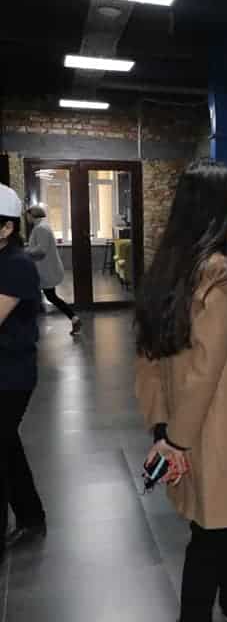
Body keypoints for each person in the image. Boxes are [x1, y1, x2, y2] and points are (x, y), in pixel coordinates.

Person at [134, 160, 227, 622]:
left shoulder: (172, 269)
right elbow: (205, 372)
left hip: (186, 430)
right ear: (218, 210)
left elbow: (149, 361)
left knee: (207, 535)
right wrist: (177, 441)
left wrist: (163, 430)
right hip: (221, 435)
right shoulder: (220, 278)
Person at [0, 184, 47, 563]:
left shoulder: (16, 265)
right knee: (8, 446)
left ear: (6, 228)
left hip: (11, 375)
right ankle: (32, 517)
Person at [24, 204, 81, 334]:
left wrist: (25, 251)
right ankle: (75, 319)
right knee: (50, 297)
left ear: (32, 215)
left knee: (39, 297)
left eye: (27, 215)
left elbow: (41, 249)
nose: (26, 218)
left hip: (45, 270)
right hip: (45, 270)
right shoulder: (42, 226)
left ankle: (29, 328)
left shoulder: (40, 228)